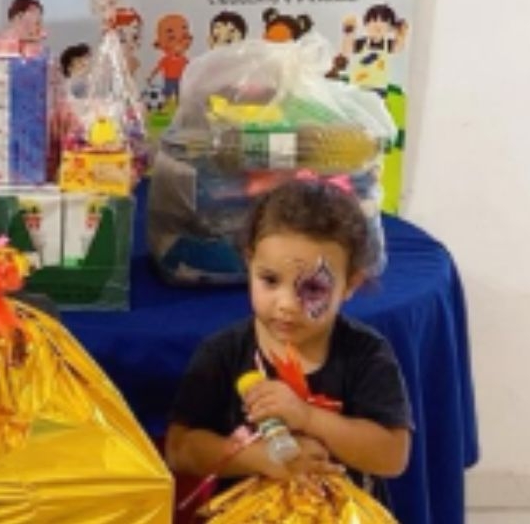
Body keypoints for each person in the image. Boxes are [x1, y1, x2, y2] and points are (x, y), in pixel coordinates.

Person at [165, 179, 412, 511]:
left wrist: (307, 417)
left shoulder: (365, 354)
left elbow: (393, 456)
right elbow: (180, 450)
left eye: (314, 289)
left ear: (350, 284)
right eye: (270, 280)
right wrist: (260, 457)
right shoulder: (223, 353)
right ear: (249, 263)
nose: (287, 305)